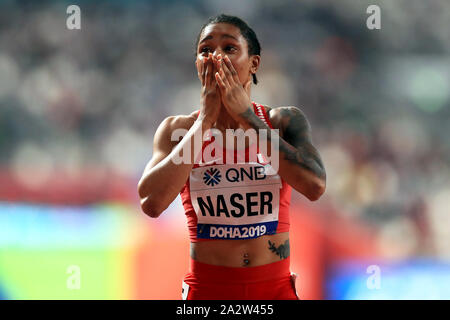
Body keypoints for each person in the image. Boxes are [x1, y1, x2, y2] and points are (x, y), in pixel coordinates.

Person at [137, 14, 326, 300]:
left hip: (274, 290)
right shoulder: (178, 130)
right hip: (208, 290)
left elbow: (314, 187)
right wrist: (205, 122)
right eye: (206, 49)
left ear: (254, 64)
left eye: (229, 48)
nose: (216, 56)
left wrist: (247, 117)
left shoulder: (283, 121)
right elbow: (151, 203)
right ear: (198, 64)